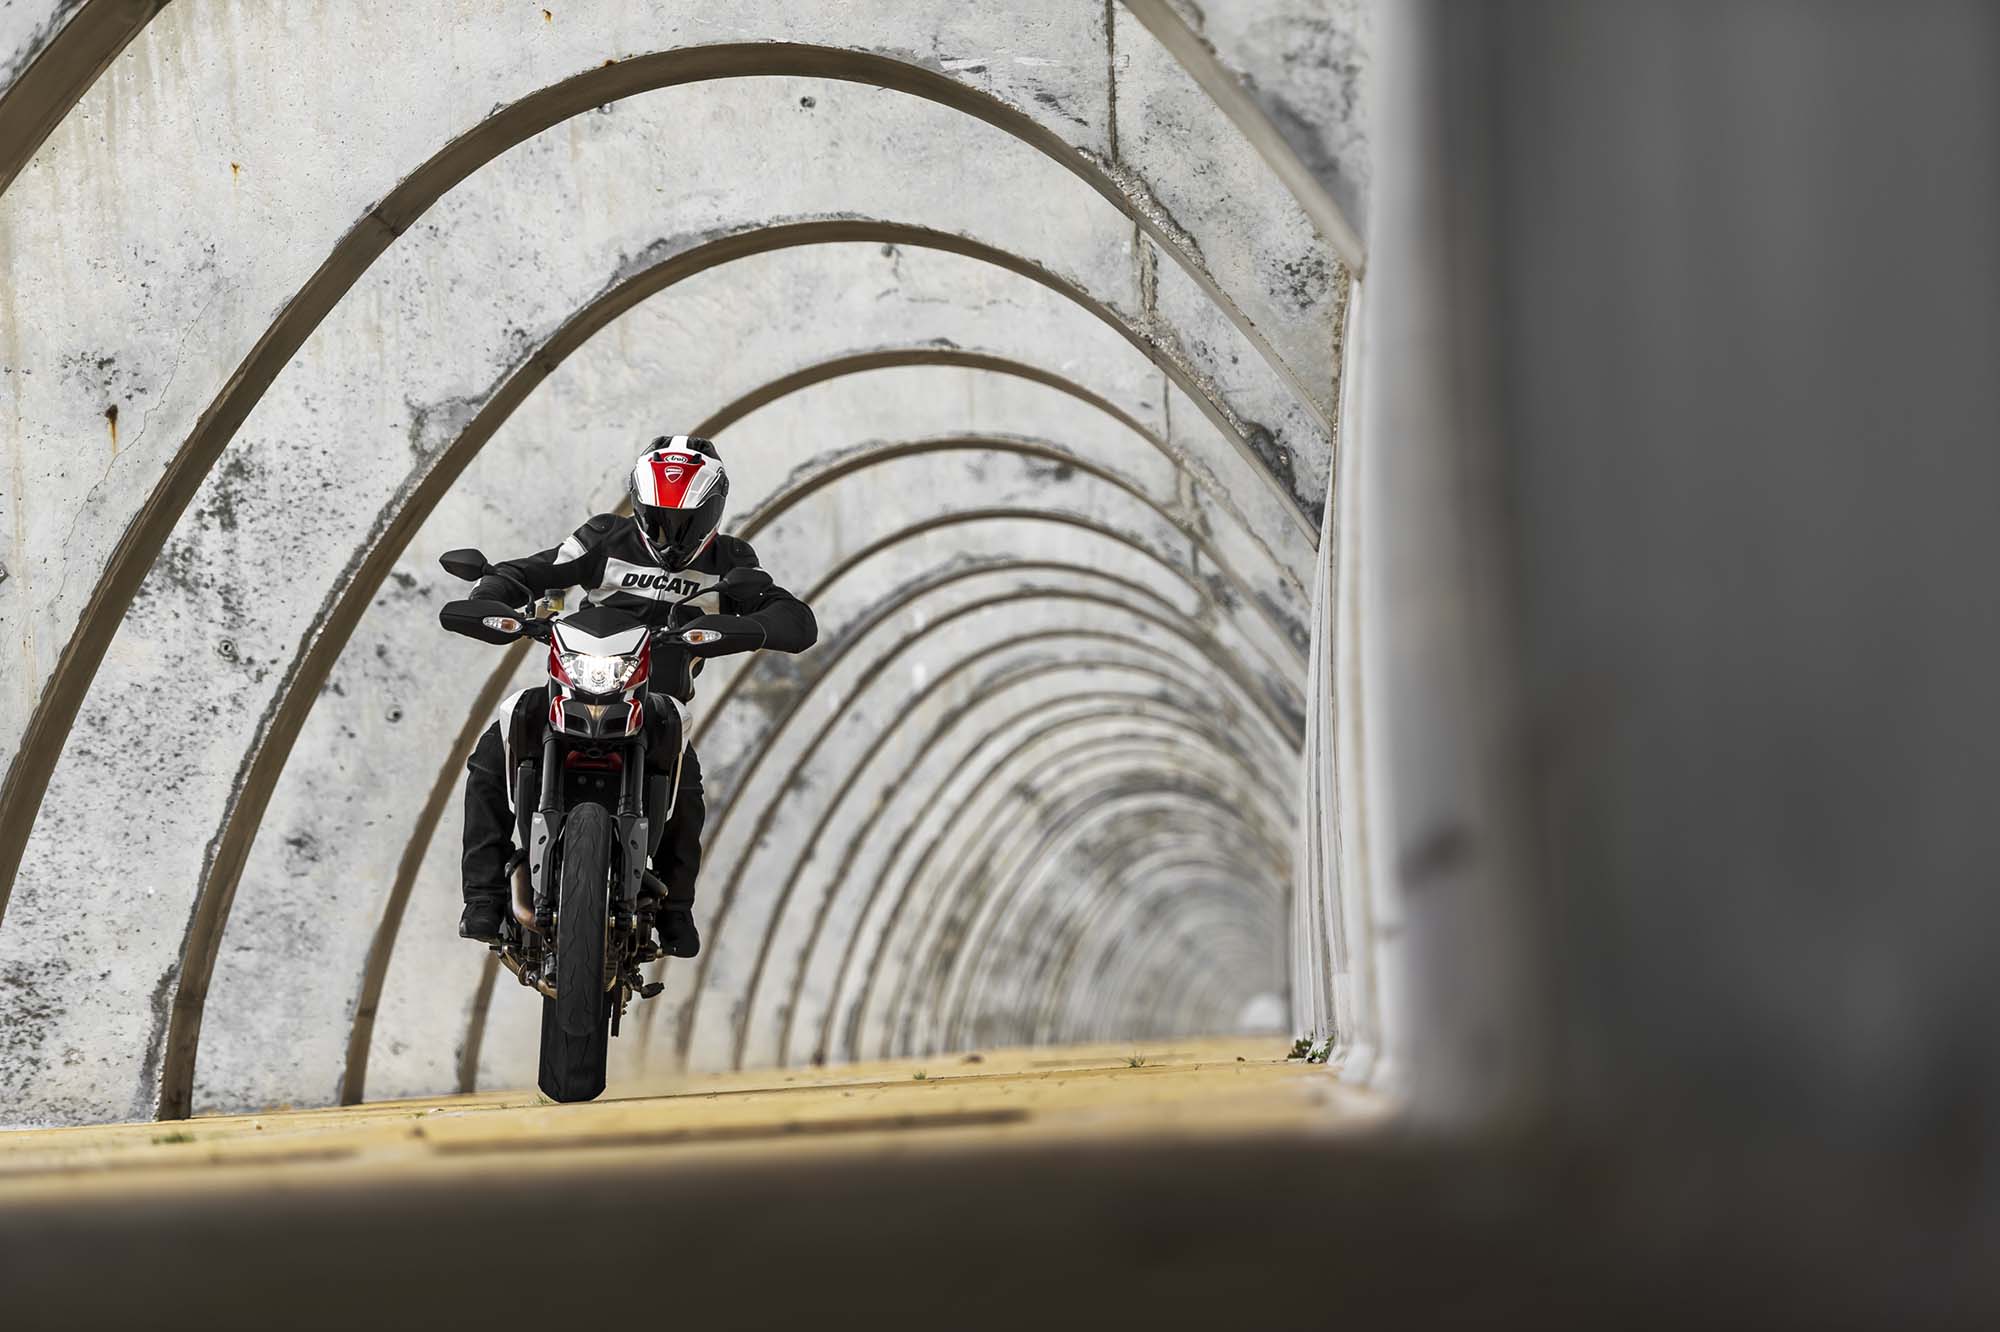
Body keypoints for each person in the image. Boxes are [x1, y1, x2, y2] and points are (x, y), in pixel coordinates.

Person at [456, 435, 816, 957]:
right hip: (578, 684)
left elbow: (792, 616)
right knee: (500, 740)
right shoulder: (604, 537)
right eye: (659, 518)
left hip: (657, 702)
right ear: (639, 505)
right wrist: (493, 594)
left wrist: (749, 627)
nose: (671, 534)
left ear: (713, 511)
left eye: (686, 521)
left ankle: (675, 910)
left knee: (686, 784)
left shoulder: (731, 561)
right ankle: (483, 897)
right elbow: (534, 569)